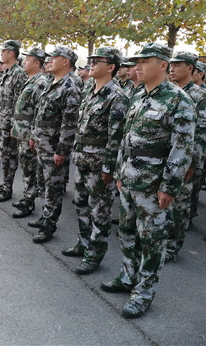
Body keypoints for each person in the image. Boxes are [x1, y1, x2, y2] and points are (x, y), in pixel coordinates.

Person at [101, 42, 195, 319]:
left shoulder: (178, 100)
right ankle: (127, 276)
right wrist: (120, 173)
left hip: (153, 185)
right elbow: (125, 140)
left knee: (152, 240)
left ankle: (143, 293)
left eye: (145, 62)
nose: (138, 66)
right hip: (130, 179)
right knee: (126, 232)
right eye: (137, 62)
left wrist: (169, 187)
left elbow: (182, 148)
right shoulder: (138, 95)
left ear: (163, 65)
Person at [64, 46, 128, 274]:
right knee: (80, 205)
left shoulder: (117, 97)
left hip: (99, 165)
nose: (91, 64)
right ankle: (83, 243)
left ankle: (94, 254)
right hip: (82, 160)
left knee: (99, 211)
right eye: (91, 61)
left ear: (111, 67)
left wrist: (109, 168)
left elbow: (116, 137)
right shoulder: (90, 90)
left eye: (97, 61)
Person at [29, 46, 81, 243]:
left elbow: (70, 123)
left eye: (54, 57)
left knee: (53, 189)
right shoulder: (51, 83)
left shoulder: (70, 87)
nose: (49, 60)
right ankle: (45, 216)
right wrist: (33, 135)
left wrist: (62, 150)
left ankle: (49, 225)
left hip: (54, 148)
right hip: (42, 144)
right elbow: (39, 113)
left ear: (65, 61)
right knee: (42, 184)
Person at [166, 52, 206, 261]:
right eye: (172, 64)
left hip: (184, 159)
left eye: (178, 65)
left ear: (190, 69)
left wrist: (193, 163)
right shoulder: (167, 91)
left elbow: (202, 133)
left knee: (179, 204)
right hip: (164, 155)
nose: (173, 68)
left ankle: (172, 246)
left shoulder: (200, 96)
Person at [10, 47, 48, 218]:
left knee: (30, 169)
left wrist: (33, 135)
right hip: (22, 133)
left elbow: (39, 112)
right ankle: (27, 197)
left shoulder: (40, 83)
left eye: (28, 60)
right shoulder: (31, 81)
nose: (24, 62)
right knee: (26, 168)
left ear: (37, 63)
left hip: (29, 135)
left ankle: (29, 202)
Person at [0, 40, 27, 202]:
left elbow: (19, 103)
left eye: (3, 51)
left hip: (9, 124)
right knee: (4, 156)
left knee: (9, 157)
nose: (1, 54)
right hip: (2, 122)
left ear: (11, 53)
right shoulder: (7, 72)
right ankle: (6, 183)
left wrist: (14, 125)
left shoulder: (18, 74)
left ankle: (7, 188)